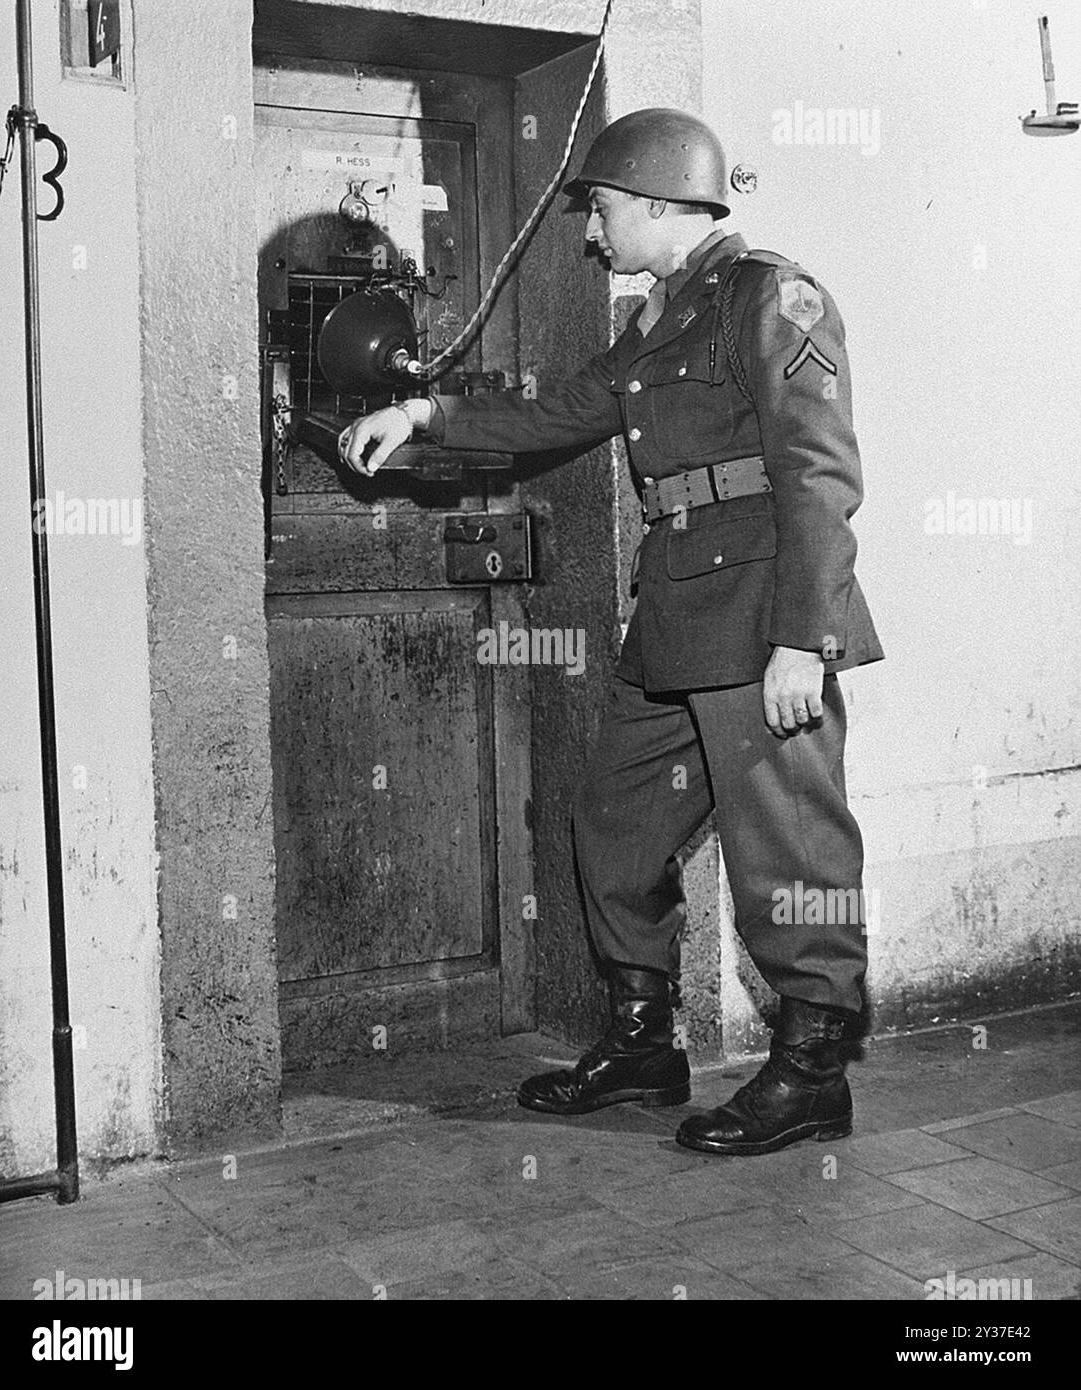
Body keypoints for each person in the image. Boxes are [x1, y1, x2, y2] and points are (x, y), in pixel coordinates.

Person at [341, 108, 884, 1157]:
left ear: (650, 200)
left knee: (789, 844)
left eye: (598, 210)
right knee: (612, 819)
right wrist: (422, 418)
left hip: (764, 614)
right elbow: (559, 414)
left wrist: (798, 640)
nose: (591, 232)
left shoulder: (771, 294)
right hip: (680, 613)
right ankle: (642, 1041)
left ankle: (814, 1068)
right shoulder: (657, 317)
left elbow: (818, 475)